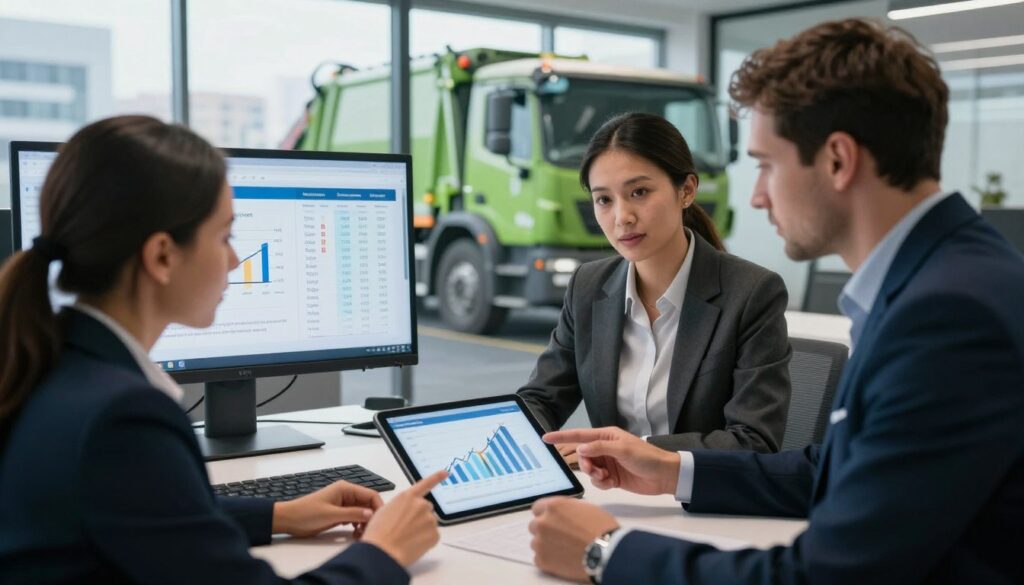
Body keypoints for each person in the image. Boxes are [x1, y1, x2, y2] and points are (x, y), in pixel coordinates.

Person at [527, 18, 1024, 585]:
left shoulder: (949, 316)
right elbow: (832, 471)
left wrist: (605, 553)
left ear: (837, 160)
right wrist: (669, 467)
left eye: (766, 164)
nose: (759, 196)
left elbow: (828, 576)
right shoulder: (943, 280)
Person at [0, 116, 446, 584]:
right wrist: (384, 551)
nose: (236, 260)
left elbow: (143, 515)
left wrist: (279, 515)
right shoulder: (123, 416)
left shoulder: (48, 365)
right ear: (162, 256)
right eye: (225, 236)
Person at [517, 112, 792, 463]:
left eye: (639, 192)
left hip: (700, 503)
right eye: (604, 200)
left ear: (687, 191)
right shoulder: (588, 286)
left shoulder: (753, 293)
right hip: (609, 496)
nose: (622, 217)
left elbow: (754, 440)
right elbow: (539, 400)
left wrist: (637, 451)